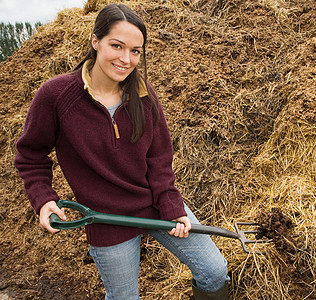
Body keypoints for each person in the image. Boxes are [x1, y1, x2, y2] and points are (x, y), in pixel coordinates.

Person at [14, 4, 229, 300]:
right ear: (95, 41)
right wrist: (43, 199)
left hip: (153, 205)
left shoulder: (142, 94)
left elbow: (159, 157)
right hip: (105, 219)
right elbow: (31, 154)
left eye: (136, 51)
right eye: (117, 46)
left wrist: (171, 206)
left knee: (214, 271)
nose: (126, 59)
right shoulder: (56, 96)